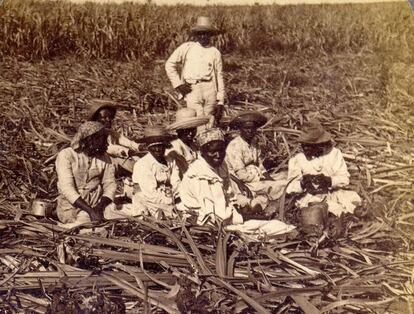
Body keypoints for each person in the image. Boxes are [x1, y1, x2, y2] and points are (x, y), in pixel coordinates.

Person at [178, 128, 295, 237]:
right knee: (276, 228)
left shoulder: (220, 165)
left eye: (221, 150)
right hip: (209, 224)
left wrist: (243, 208)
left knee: (277, 226)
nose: (218, 155)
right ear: (202, 153)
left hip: (227, 216)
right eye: (212, 152)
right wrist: (250, 216)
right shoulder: (199, 176)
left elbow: (229, 195)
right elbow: (217, 215)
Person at [286, 120, 361, 216]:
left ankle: (355, 211)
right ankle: (343, 214)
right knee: (322, 205)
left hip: (332, 192)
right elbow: (289, 187)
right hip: (310, 196)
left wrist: (329, 181)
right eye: (303, 145)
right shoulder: (297, 159)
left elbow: (344, 179)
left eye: (309, 145)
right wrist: (303, 183)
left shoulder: (334, 154)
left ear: (320, 145)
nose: (305, 148)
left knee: (351, 197)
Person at [165, 16, 225, 129]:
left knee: (209, 120)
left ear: (210, 35)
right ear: (196, 35)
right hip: (192, 88)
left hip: (210, 88)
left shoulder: (215, 52)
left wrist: (220, 101)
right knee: (195, 119)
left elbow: (219, 76)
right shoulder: (187, 48)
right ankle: (197, 142)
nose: (203, 36)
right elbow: (169, 64)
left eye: (206, 33)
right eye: (200, 33)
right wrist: (178, 85)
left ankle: (207, 142)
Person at [55, 121, 116, 228]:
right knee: (89, 222)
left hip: (98, 205)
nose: (106, 144)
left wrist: (99, 207)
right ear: (90, 139)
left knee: (127, 212)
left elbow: (110, 185)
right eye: (103, 139)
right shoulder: (67, 155)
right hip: (71, 208)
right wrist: (90, 211)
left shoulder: (105, 158)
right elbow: (67, 189)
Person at [225, 111, 287, 203]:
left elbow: (260, 165)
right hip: (243, 182)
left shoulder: (254, 142)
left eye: (253, 128)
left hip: (256, 176)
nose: (249, 131)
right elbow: (241, 174)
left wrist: (268, 177)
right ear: (240, 129)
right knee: (281, 185)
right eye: (246, 128)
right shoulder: (235, 146)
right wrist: (262, 179)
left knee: (285, 176)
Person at [131, 126, 177, 217]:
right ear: (148, 147)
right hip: (149, 200)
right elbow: (150, 194)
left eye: (160, 146)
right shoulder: (143, 164)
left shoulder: (170, 160)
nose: (158, 149)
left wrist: (176, 195)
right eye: (154, 146)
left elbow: (176, 181)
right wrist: (169, 200)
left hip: (170, 196)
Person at [88, 99, 140, 174]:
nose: (108, 119)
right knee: (126, 162)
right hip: (100, 160)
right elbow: (107, 148)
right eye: (104, 117)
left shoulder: (109, 132)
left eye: (109, 117)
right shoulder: (93, 133)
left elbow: (122, 140)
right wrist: (125, 151)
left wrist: (137, 146)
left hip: (113, 156)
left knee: (137, 159)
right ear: (96, 119)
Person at [166, 108, 209, 180]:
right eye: (187, 131)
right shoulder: (176, 146)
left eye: (193, 130)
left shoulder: (193, 144)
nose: (190, 133)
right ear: (179, 131)